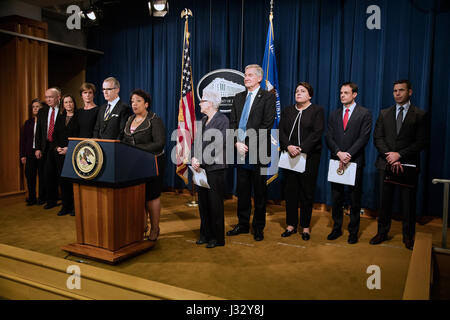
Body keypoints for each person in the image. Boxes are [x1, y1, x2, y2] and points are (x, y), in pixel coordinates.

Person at [370, 80, 429, 250]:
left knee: (408, 204)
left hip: (408, 165)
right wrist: (390, 156)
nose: (397, 93)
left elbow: (422, 142)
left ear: (409, 92)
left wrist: (400, 155)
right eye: (395, 90)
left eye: (401, 90)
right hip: (385, 163)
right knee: (384, 202)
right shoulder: (384, 113)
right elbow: (378, 138)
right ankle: (382, 232)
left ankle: (408, 237)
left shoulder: (420, 114)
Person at [227, 64, 276, 241]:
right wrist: (236, 143)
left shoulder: (268, 98)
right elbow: (232, 122)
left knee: (260, 192)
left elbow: (267, 125)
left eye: (249, 75)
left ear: (259, 78)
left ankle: (258, 227)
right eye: (245, 75)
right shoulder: (238, 97)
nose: (246, 78)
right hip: (240, 150)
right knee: (242, 190)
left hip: (259, 150)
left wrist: (245, 143)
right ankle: (242, 224)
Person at [325, 82, 372, 244]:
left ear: (354, 94)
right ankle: (336, 228)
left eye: (346, 93)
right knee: (336, 198)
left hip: (354, 162)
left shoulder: (364, 113)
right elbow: (329, 137)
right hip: (336, 160)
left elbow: (364, 138)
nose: (342, 95)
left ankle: (353, 231)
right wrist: (338, 153)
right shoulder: (334, 114)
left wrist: (348, 155)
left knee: (354, 199)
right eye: (341, 93)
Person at [279, 82, 324, 240]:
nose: (298, 93)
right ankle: (290, 225)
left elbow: (317, 133)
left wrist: (301, 148)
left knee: (306, 193)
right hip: (289, 156)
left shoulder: (317, 111)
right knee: (290, 192)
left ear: (309, 95)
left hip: (309, 157)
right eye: (297, 91)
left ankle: (305, 227)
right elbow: (281, 131)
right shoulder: (287, 111)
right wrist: (288, 146)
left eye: (302, 91)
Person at [121, 89, 166, 241]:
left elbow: (159, 144)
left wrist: (135, 149)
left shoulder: (155, 119)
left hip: (152, 163)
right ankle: (142, 226)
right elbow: (124, 140)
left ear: (146, 104)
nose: (134, 104)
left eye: (138, 101)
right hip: (134, 165)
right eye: (132, 101)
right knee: (138, 197)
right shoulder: (129, 120)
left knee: (151, 196)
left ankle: (155, 228)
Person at [191, 89, 229, 248]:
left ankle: (217, 238)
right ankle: (205, 234)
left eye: (203, 101)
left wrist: (202, 161)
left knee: (215, 204)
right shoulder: (204, 120)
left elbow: (219, 145)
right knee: (203, 204)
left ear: (211, 103)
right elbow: (196, 143)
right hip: (201, 168)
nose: (200, 103)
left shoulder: (223, 120)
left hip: (215, 168)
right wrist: (193, 157)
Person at [35, 88, 62, 210]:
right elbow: (39, 132)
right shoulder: (42, 111)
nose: (48, 99)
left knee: (60, 174)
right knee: (48, 174)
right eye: (46, 97)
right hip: (46, 146)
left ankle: (66, 201)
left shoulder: (63, 110)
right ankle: (51, 200)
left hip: (59, 146)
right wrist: (37, 148)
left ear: (58, 97)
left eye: (51, 97)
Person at [54, 94, 79, 216]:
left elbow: (80, 136)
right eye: (66, 102)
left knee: (72, 181)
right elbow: (55, 136)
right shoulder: (60, 118)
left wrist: (69, 149)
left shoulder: (78, 117)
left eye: (70, 102)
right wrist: (57, 147)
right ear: (63, 105)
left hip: (73, 153)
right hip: (60, 154)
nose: (68, 104)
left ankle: (75, 207)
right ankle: (65, 206)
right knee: (62, 181)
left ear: (74, 103)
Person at [20, 99, 44, 205]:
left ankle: (42, 198)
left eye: (37, 106)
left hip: (41, 153)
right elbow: (23, 140)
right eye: (33, 107)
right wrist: (22, 155)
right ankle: (32, 198)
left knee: (43, 176)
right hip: (29, 153)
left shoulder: (44, 122)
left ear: (42, 109)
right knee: (30, 175)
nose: (35, 108)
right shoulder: (28, 122)